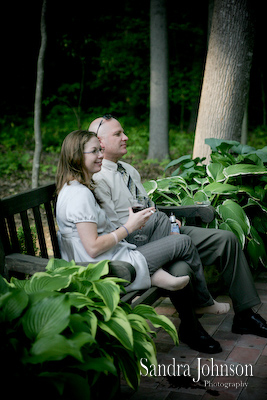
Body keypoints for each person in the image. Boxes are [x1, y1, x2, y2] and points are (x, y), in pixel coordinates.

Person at [88, 114, 267, 347]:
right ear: (100, 142)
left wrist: (171, 222)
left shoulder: (128, 170)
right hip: (139, 243)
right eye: (118, 134)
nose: (126, 137)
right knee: (181, 266)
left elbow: (147, 204)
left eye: (123, 132)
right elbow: (112, 228)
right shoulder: (98, 178)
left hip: (161, 229)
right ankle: (191, 328)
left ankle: (245, 315)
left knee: (227, 239)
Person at [56, 129, 229, 354]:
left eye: (100, 149)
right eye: (94, 151)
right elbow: (93, 247)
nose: (100, 154)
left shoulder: (74, 188)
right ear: (76, 156)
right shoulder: (80, 195)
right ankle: (203, 301)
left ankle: (160, 275)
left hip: (107, 258)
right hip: (108, 268)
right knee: (183, 242)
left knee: (159, 223)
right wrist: (129, 226)